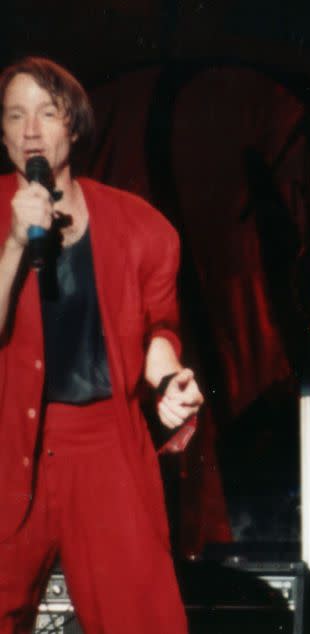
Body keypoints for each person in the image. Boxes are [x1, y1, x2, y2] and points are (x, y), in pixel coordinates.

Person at [0, 57, 203, 634]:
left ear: (75, 124)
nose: (31, 130)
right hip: (8, 440)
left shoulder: (143, 229)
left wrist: (168, 383)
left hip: (104, 445)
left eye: (47, 112)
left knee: (141, 618)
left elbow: (156, 332)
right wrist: (15, 245)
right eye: (16, 115)